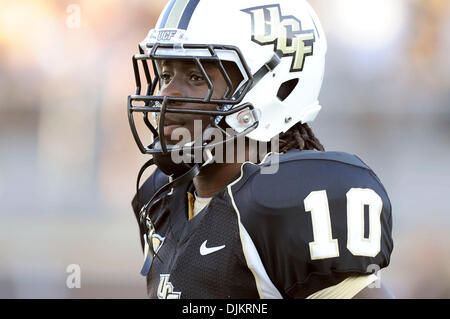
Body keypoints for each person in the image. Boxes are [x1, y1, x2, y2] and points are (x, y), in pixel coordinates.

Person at [127, 0, 394, 299]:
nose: (166, 94)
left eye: (195, 76)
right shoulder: (160, 198)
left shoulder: (296, 203)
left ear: (273, 87)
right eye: (165, 75)